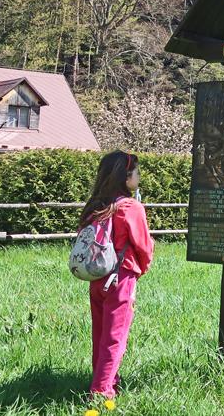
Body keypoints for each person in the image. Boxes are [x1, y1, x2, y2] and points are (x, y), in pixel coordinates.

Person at [76, 150, 154, 399]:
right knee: (116, 337)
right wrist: (142, 269)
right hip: (121, 278)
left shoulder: (95, 206)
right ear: (126, 176)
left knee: (100, 334)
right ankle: (101, 391)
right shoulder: (130, 207)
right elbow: (143, 246)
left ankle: (108, 379)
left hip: (96, 276)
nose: (139, 177)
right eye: (137, 172)